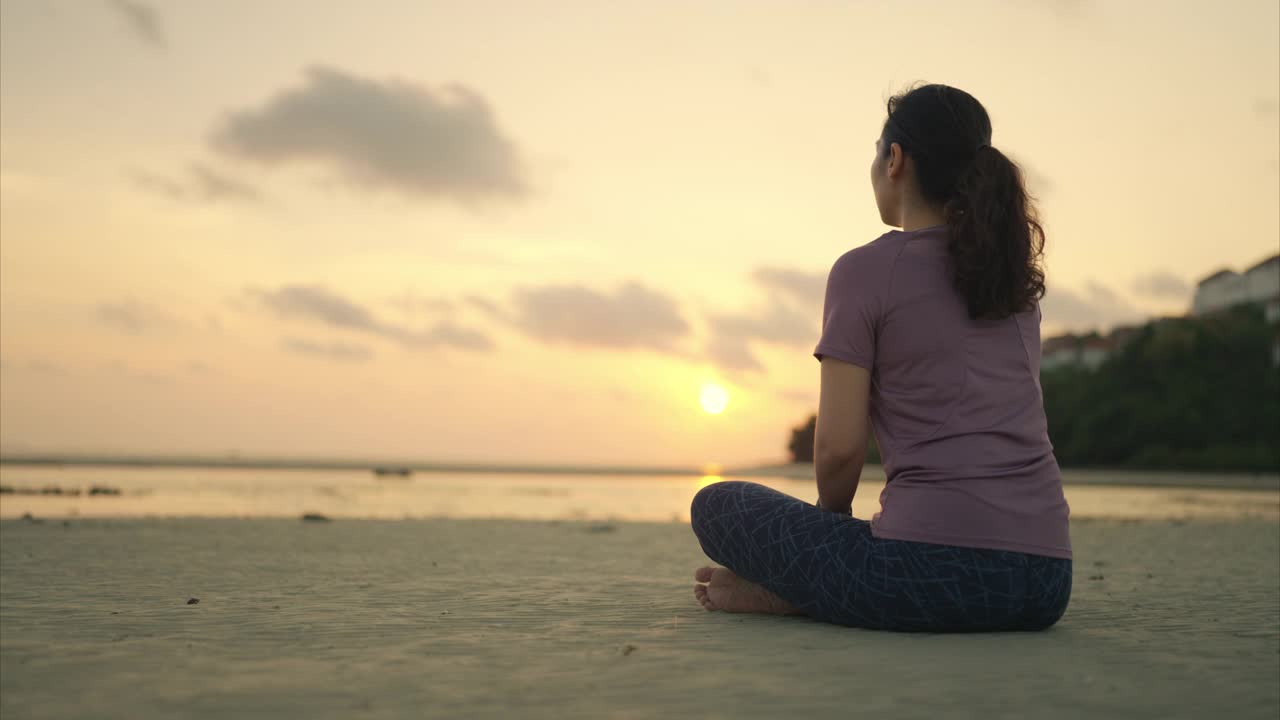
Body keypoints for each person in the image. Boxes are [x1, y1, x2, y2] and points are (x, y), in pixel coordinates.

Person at [690, 83, 1072, 632]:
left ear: (895, 160)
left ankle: (804, 595)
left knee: (716, 504)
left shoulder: (865, 270)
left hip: (923, 575)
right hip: (1046, 583)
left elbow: (840, 449)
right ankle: (823, 591)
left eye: (878, 150)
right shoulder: (1013, 284)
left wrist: (821, 552)